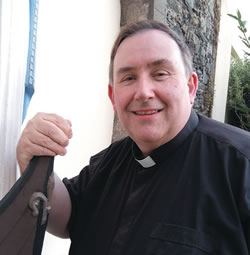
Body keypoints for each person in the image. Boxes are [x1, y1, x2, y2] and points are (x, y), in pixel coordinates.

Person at [16, 20, 250, 254]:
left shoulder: (241, 164)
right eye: (128, 78)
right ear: (113, 96)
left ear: (190, 87)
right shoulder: (106, 164)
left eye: (160, 74)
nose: (144, 92)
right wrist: (35, 162)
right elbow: (67, 217)